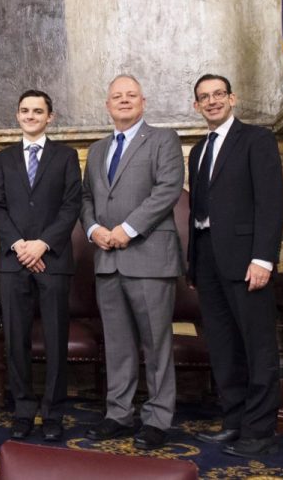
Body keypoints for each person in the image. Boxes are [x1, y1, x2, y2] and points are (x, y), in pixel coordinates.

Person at [81, 74, 184, 450]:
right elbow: (87, 198)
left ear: (143, 101)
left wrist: (126, 229)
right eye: (116, 96)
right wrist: (93, 229)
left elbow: (168, 190)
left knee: (156, 344)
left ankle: (158, 418)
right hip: (107, 259)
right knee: (118, 344)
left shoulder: (163, 140)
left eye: (131, 95)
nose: (123, 101)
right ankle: (119, 414)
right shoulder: (95, 150)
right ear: (107, 105)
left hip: (149, 258)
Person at [188, 74, 283, 458]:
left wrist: (263, 258)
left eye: (218, 95)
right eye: (203, 98)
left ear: (233, 98)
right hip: (208, 258)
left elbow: (271, 202)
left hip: (247, 260)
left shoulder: (256, 139)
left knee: (258, 346)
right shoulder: (198, 151)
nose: (211, 102)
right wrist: (194, 264)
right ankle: (234, 421)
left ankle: (260, 431)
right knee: (224, 345)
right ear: (196, 106)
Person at [0, 90, 81, 442]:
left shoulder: (66, 156)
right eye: (24, 110)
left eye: (38, 111)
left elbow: (72, 205)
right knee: (16, 340)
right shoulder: (4, 158)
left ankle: (53, 412)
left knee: (56, 340)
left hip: (53, 260)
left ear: (49, 117)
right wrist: (19, 245)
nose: (30, 115)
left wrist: (42, 244)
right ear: (18, 115)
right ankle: (23, 409)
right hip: (14, 262)